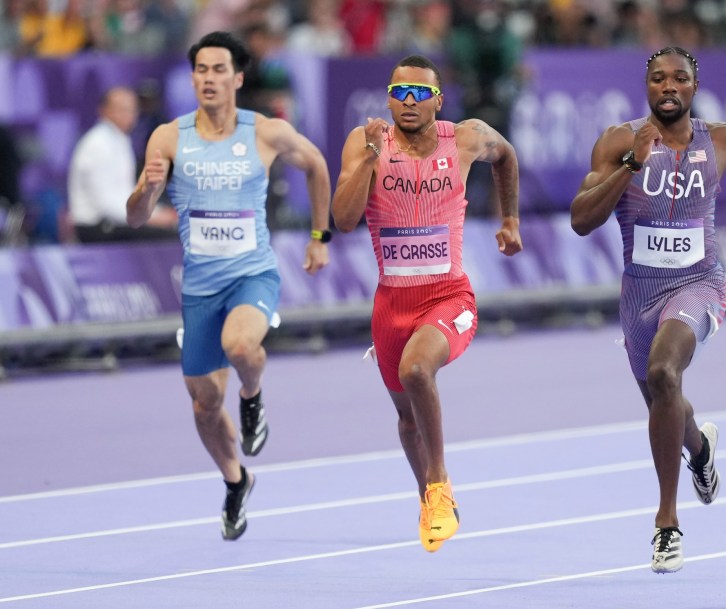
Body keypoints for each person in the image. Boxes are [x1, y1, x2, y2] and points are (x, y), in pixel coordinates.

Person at [569, 46, 726, 574]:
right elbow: (580, 219)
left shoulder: (722, 140)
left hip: (700, 285)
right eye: (659, 78)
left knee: (665, 371)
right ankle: (701, 450)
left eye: (680, 79)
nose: (669, 87)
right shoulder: (619, 142)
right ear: (646, 87)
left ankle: (666, 523)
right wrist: (629, 165)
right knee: (666, 401)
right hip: (640, 296)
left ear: (694, 86)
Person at [126, 31, 332, 541]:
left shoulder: (264, 131)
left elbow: (318, 166)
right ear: (192, 78)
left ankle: (254, 394)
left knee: (239, 346)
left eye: (219, 69)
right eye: (201, 70)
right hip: (199, 289)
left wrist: (319, 237)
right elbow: (134, 217)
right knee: (202, 406)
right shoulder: (168, 138)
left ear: (237, 78)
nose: (209, 78)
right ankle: (236, 480)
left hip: (251, 274)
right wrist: (149, 188)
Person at [332, 54, 523, 552]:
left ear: (439, 100)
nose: (409, 102)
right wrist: (372, 157)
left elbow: (506, 156)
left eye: (420, 94)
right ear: (388, 98)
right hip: (391, 304)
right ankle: (430, 498)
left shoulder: (464, 137)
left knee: (418, 371)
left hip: (449, 296)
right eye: (399, 93)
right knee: (407, 417)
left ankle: (440, 484)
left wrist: (511, 220)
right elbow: (344, 219)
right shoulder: (366, 140)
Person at [69, 86, 178, 243]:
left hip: (117, 220)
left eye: (133, 109)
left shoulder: (119, 140)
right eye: (122, 109)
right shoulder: (98, 144)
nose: (129, 115)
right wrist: (152, 218)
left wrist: (159, 212)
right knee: (170, 237)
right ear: (104, 110)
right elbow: (108, 205)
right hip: (97, 227)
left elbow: (126, 194)